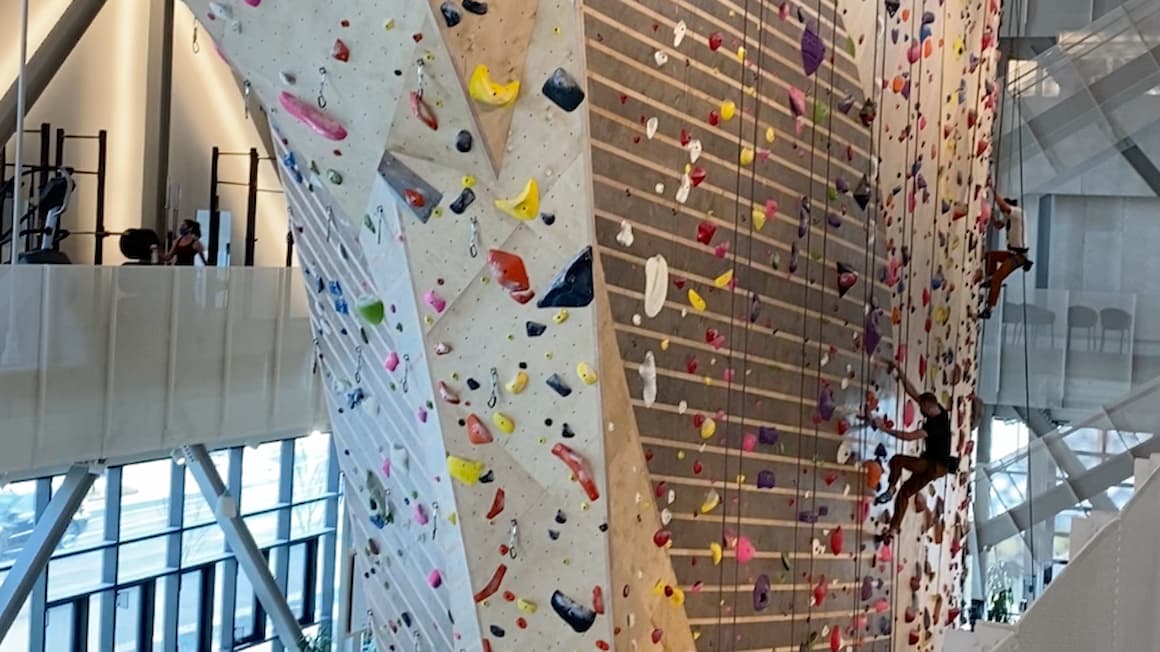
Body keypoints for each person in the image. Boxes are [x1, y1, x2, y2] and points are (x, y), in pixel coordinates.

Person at [866, 361, 960, 538]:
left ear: (929, 406)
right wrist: (900, 373)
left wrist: (883, 428)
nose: (921, 410)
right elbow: (915, 394)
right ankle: (893, 530)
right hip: (934, 468)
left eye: (922, 408)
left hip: (933, 465)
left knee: (897, 460)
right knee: (905, 493)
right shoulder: (937, 409)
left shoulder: (936, 427)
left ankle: (892, 488)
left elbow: (908, 436)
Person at [979, 188, 1033, 319]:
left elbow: (1004, 206)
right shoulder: (1008, 216)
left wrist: (992, 189)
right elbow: (998, 225)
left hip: (1019, 257)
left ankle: (989, 308)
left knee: (999, 277)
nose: (1004, 214)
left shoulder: (1019, 213)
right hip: (1012, 253)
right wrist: (989, 213)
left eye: (1005, 211)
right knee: (989, 256)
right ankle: (990, 280)